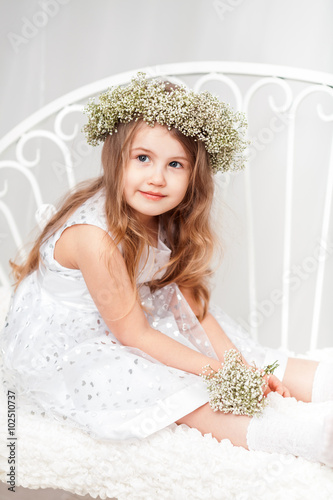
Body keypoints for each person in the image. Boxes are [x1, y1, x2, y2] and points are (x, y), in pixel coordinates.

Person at [1, 73, 332, 467]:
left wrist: (238, 366)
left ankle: (316, 380)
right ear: (115, 160)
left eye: (175, 164)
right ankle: (305, 438)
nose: (157, 178)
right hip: (76, 339)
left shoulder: (165, 215)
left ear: (194, 175)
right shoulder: (94, 238)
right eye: (143, 158)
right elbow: (132, 334)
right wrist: (217, 374)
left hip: (138, 310)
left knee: (239, 352)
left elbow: (192, 306)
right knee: (153, 379)